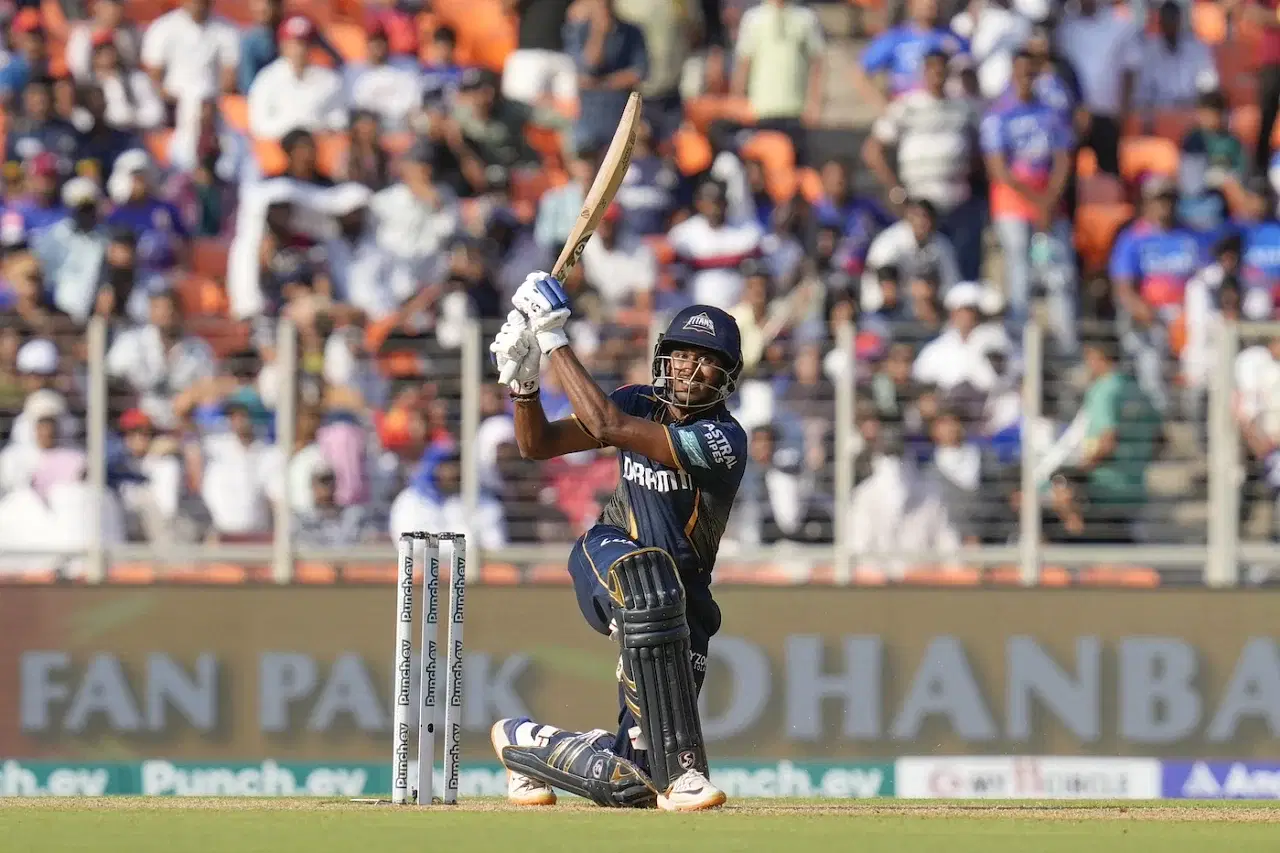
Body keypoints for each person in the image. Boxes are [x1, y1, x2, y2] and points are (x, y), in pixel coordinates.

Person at [487, 276, 748, 812]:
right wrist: (525, 386)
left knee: (635, 781)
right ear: (664, 358)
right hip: (609, 553)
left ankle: (526, 744)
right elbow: (537, 444)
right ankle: (685, 774)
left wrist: (552, 336)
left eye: (706, 360)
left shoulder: (724, 440)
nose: (690, 368)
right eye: (682, 355)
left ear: (728, 376)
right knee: (648, 584)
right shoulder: (638, 401)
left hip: (684, 601)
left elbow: (607, 425)